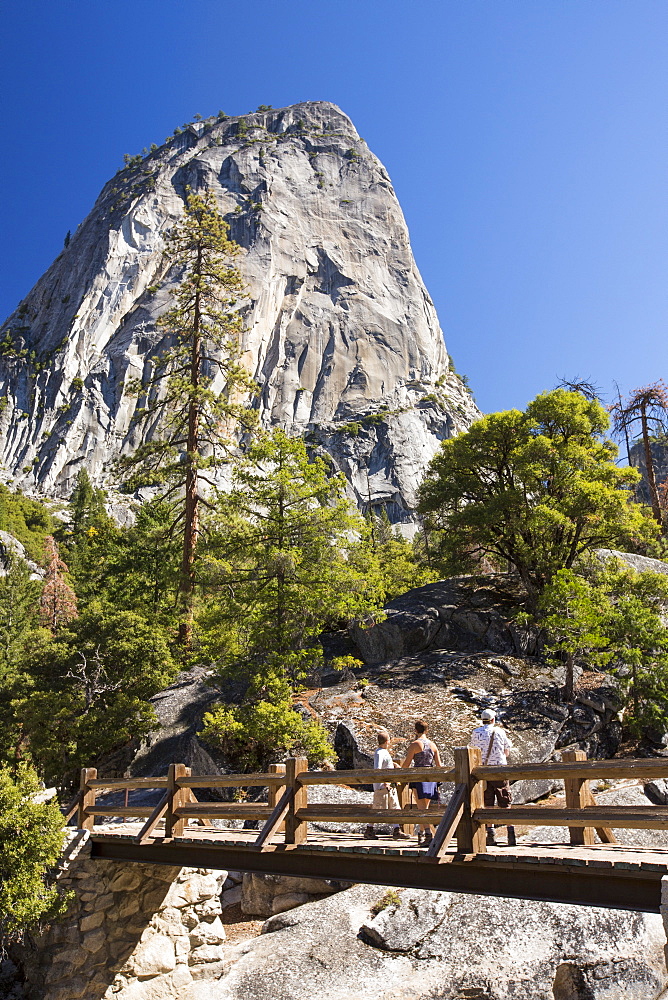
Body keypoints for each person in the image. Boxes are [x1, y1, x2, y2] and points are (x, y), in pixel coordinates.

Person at [470, 708, 516, 847]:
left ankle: (490, 833)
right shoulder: (500, 732)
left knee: (487, 801)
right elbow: (506, 751)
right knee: (505, 801)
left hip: (483, 771)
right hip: (499, 770)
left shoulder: (476, 732)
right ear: (493, 719)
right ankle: (510, 832)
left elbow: (472, 750)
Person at [401, 721, 443, 847]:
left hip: (418, 776)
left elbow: (407, 764)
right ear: (427, 730)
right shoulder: (433, 745)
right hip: (430, 778)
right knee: (425, 807)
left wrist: (398, 768)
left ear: (415, 730)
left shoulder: (415, 744)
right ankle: (421, 833)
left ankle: (428, 835)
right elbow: (439, 766)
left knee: (421, 808)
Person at [366, 732, 410, 841]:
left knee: (395, 807)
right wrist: (384, 781)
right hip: (382, 786)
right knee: (377, 808)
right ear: (387, 741)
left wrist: (394, 766)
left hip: (389, 785)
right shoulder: (379, 753)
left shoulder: (384, 752)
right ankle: (369, 830)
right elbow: (378, 769)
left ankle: (397, 830)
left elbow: (386, 765)